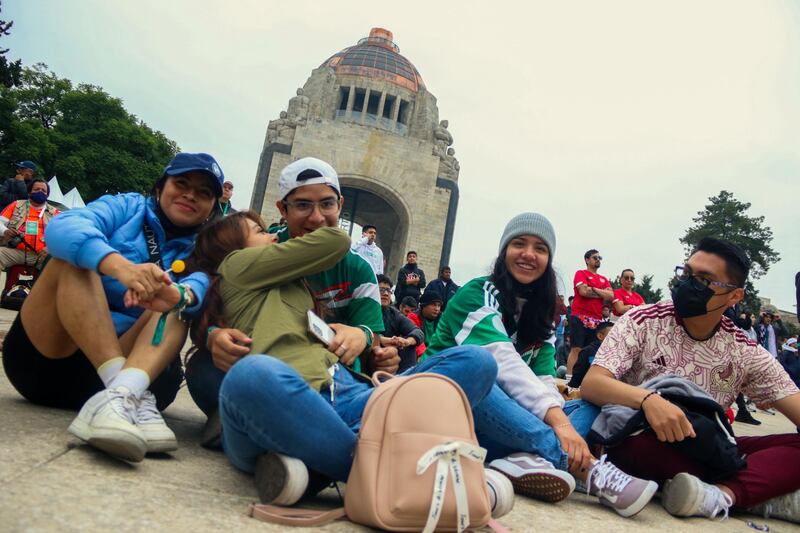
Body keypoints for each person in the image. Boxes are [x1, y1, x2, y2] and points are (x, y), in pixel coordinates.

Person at [187, 213, 509, 511]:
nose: (273, 235)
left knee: (476, 361)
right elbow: (336, 240)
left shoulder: (297, 288)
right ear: (229, 247)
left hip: (350, 396)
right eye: (259, 231)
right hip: (291, 404)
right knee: (251, 375)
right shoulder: (235, 266)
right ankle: (415, 477)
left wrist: (362, 339)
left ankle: (321, 466)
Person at [423, 212, 657, 517]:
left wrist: (558, 415)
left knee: (591, 404)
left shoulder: (542, 311)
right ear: (504, 250)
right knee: (480, 367)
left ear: (549, 259)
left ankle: (520, 457)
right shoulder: (475, 294)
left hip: (500, 421)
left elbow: (544, 377)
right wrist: (560, 426)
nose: (529, 254)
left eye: (540, 248)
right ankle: (586, 469)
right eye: (519, 243)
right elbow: (504, 364)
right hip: (447, 402)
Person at [1, 152, 223, 463]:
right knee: (71, 258)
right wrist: (120, 267)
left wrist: (177, 293)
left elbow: (203, 283)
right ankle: (120, 390)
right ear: (160, 187)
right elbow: (64, 227)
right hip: (44, 361)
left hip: (129, 360)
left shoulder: (208, 245)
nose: (190, 195)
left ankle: (120, 395)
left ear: (214, 206)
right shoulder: (126, 206)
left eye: (204, 192)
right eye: (182, 183)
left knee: (178, 300)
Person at [581, 237, 800, 523]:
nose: (688, 284)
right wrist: (648, 401)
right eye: (687, 274)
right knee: (638, 449)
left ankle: (723, 495)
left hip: (710, 447)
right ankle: (760, 493)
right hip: (645, 438)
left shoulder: (744, 351)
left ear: (734, 296)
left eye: (704, 279)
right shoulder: (644, 320)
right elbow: (593, 383)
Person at [185, 157, 399, 445]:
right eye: (302, 205)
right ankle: (315, 440)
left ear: (340, 205)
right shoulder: (266, 250)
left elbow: (374, 339)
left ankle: (257, 431)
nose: (316, 218)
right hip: (269, 371)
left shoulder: (360, 269)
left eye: (327, 204)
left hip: (333, 374)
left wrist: (363, 336)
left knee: (467, 366)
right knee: (205, 367)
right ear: (282, 210)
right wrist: (213, 335)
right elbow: (209, 296)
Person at [567, 249, 613, 374]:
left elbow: (610, 296)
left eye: (600, 258)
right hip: (580, 316)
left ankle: (584, 379)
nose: (598, 260)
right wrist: (601, 293)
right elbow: (583, 291)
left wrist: (593, 289)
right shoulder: (581, 273)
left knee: (592, 351)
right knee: (576, 349)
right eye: (595, 257)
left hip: (596, 319)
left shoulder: (603, 278)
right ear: (587, 260)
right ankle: (569, 381)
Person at [0, 178, 60, 270]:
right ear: (29, 192)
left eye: (43, 190)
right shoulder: (16, 205)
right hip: (15, 251)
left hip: (42, 255)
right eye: (36, 189)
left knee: (63, 268)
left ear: (47, 195)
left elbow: (63, 236)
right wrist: (5, 231)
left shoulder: (56, 213)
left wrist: (50, 248)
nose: (40, 192)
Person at [376, 274, 423, 372]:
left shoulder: (393, 313)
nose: (385, 294)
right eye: (381, 290)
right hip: (369, 354)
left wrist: (406, 341)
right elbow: (359, 332)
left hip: (391, 357)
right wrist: (382, 340)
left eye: (388, 291)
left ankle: (406, 380)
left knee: (408, 344)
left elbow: (418, 332)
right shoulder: (363, 309)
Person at [568, 321, 613, 388]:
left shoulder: (615, 353)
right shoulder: (588, 351)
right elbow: (578, 374)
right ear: (600, 336)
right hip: (586, 389)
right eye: (612, 335)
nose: (616, 338)